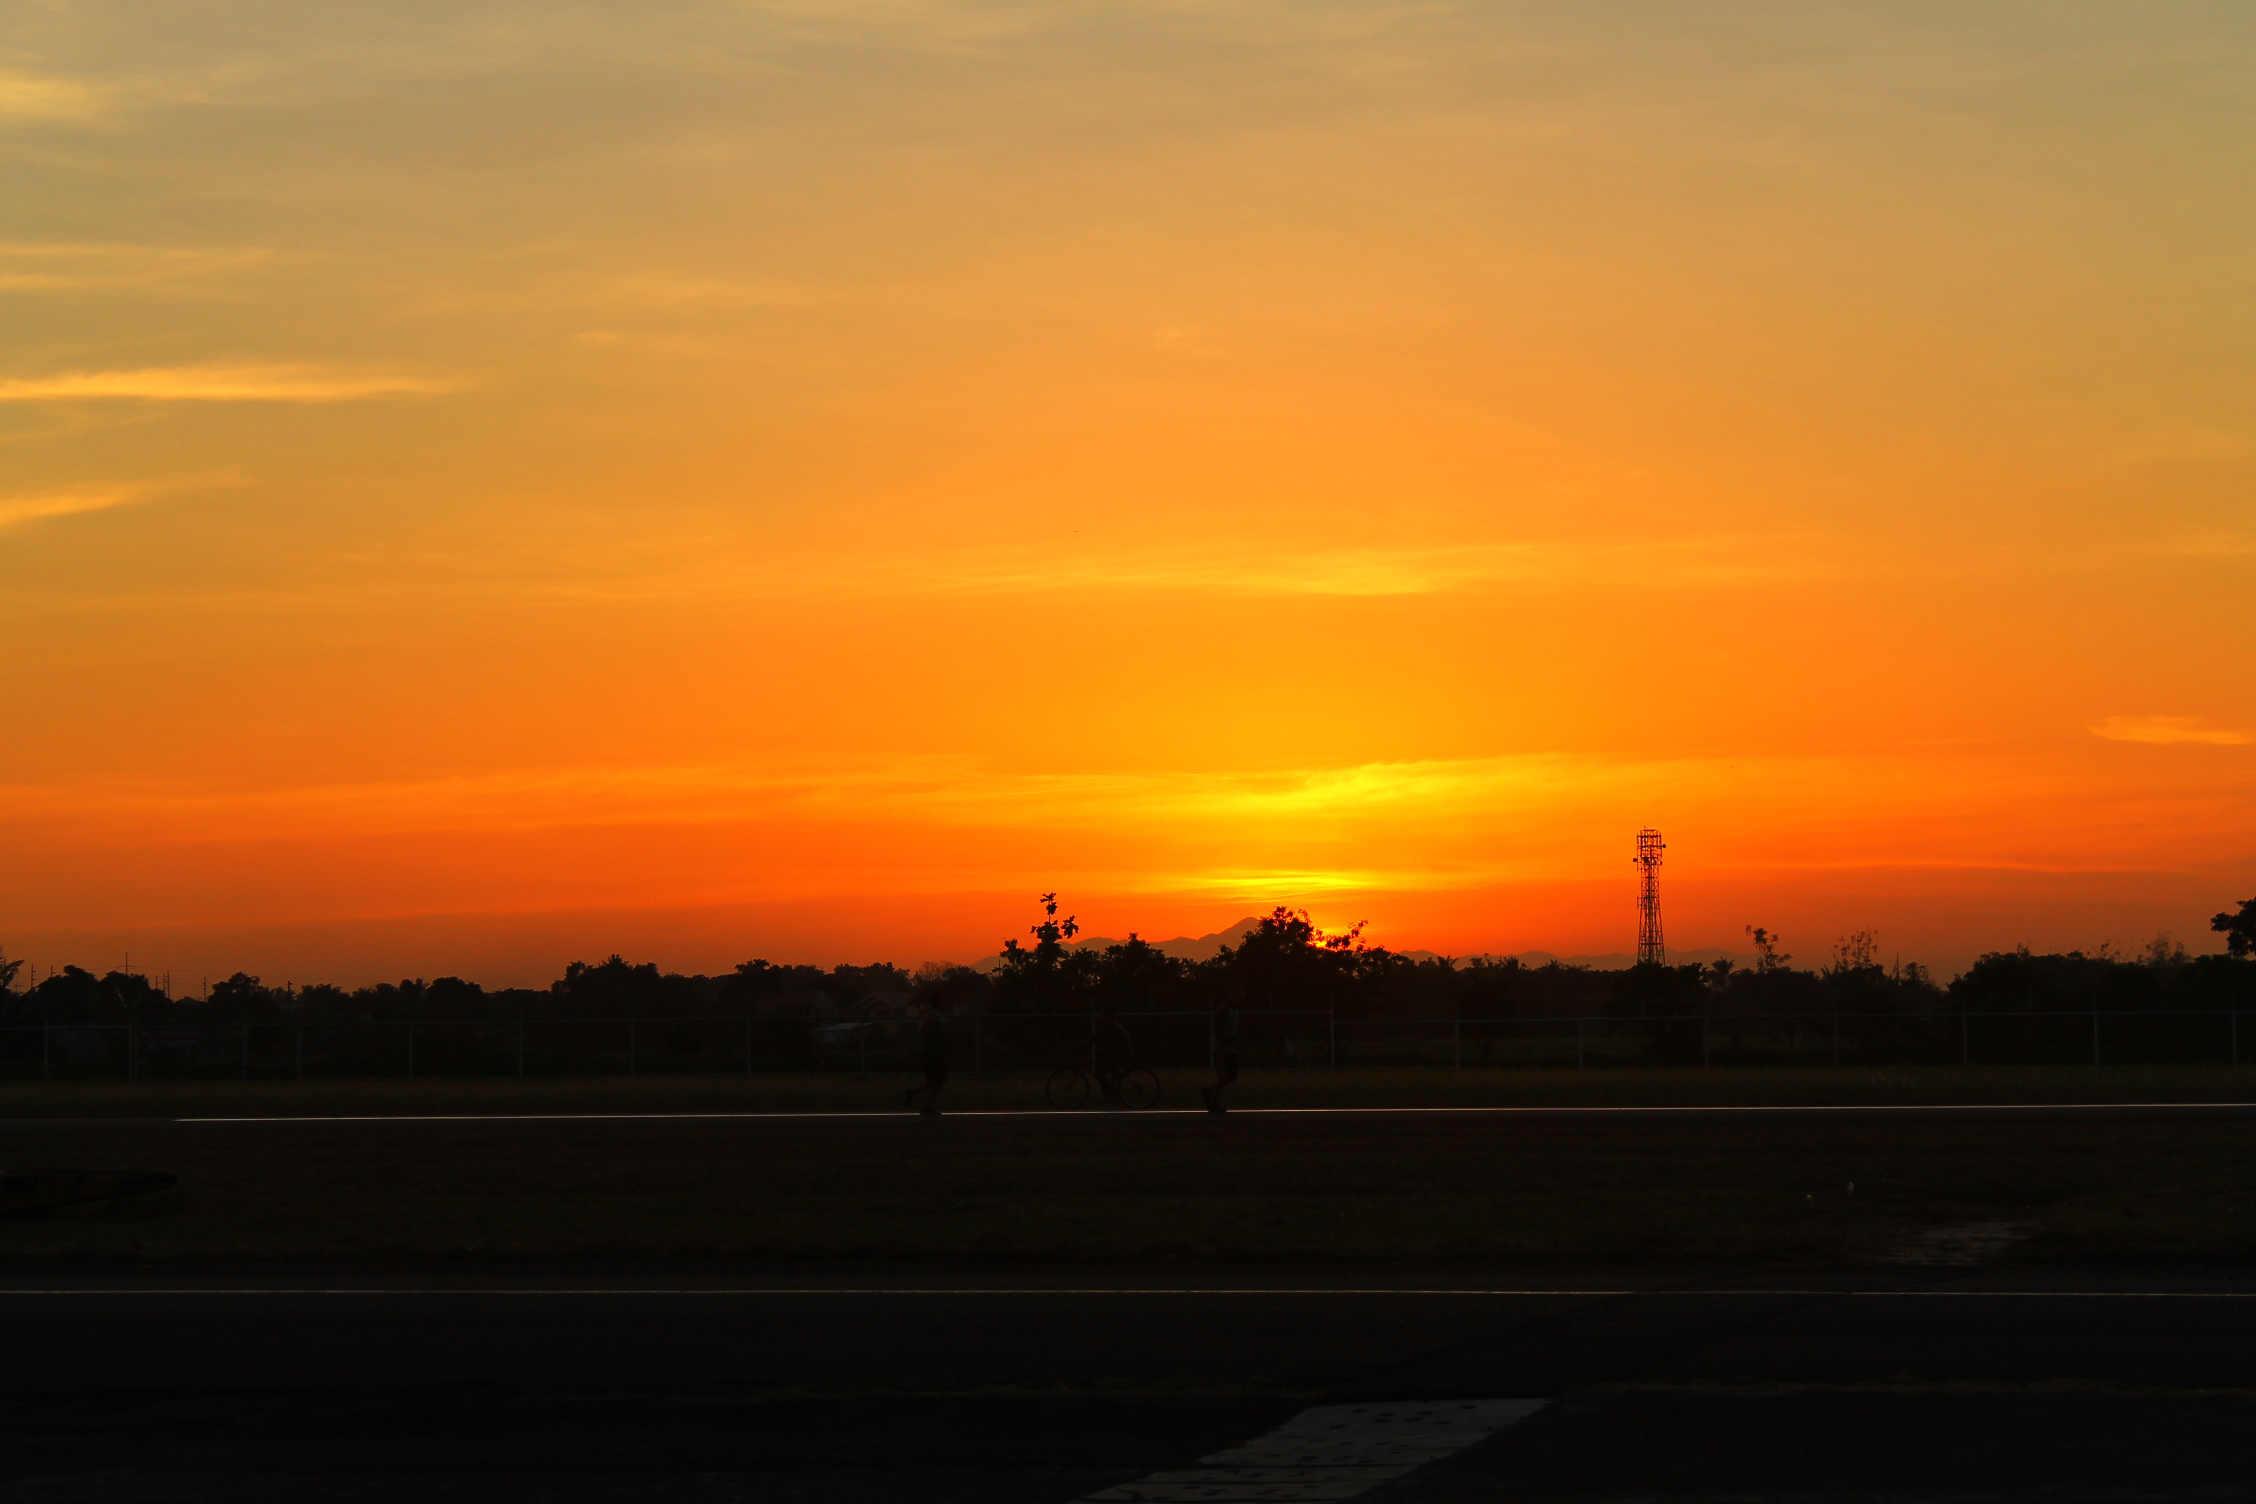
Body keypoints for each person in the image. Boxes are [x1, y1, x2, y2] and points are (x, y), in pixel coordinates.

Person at [905, 999, 950, 1116]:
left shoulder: (940, 1016)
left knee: (941, 1082)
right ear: (937, 1001)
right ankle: (911, 1092)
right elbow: (922, 1030)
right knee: (934, 1082)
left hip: (938, 1052)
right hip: (931, 1053)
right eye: (942, 998)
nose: (945, 1001)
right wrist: (940, 1031)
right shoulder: (932, 1015)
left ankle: (927, 1107)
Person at [1202, 999, 1241, 1114]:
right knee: (1224, 1076)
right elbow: (1217, 1029)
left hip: (1230, 1048)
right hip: (1222, 1048)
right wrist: (1230, 1040)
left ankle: (1209, 1090)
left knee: (1232, 1075)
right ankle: (1213, 1103)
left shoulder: (1235, 1011)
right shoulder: (1224, 1010)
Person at [1090, 1006, 1133, 1105]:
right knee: (1099, 1055)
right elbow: (1100, 1035)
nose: (1100, 1016)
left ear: (1109, 1016)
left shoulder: (1111, 1025)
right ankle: (1116, 1074)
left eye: (1102, 1014)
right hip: (1119, 1051)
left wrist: (1086, 1041)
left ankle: (1109, 1094)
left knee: (1099, 1069)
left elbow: (1099, 1035)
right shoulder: (1112, 1024)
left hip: (1121, 1053)